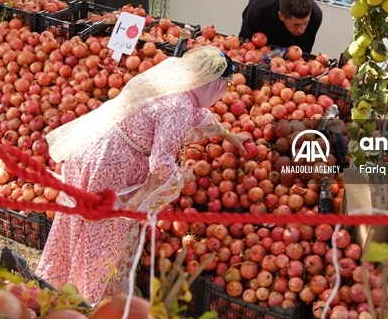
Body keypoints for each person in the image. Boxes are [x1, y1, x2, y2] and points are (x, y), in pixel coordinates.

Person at [35, 48, 251, 304]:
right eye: (223, 85)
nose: (223, 91)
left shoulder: (175, 83)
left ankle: (59, 285)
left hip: (93, 151)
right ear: (211, 83)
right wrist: (183, 177)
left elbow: (199, 116)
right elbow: (160, 164)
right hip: (109, 168)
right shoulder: (179, 106)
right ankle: (93, 300)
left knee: (78, 223)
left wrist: (228, 135)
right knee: (105, 235)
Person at [239, 0, 322, 52]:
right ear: (281, 16)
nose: (302, 30)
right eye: (296, 25)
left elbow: (302, 52)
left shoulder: (315, 17)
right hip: (265, 19)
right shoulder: (256, 13)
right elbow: (245, 44)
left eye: (306, 23)